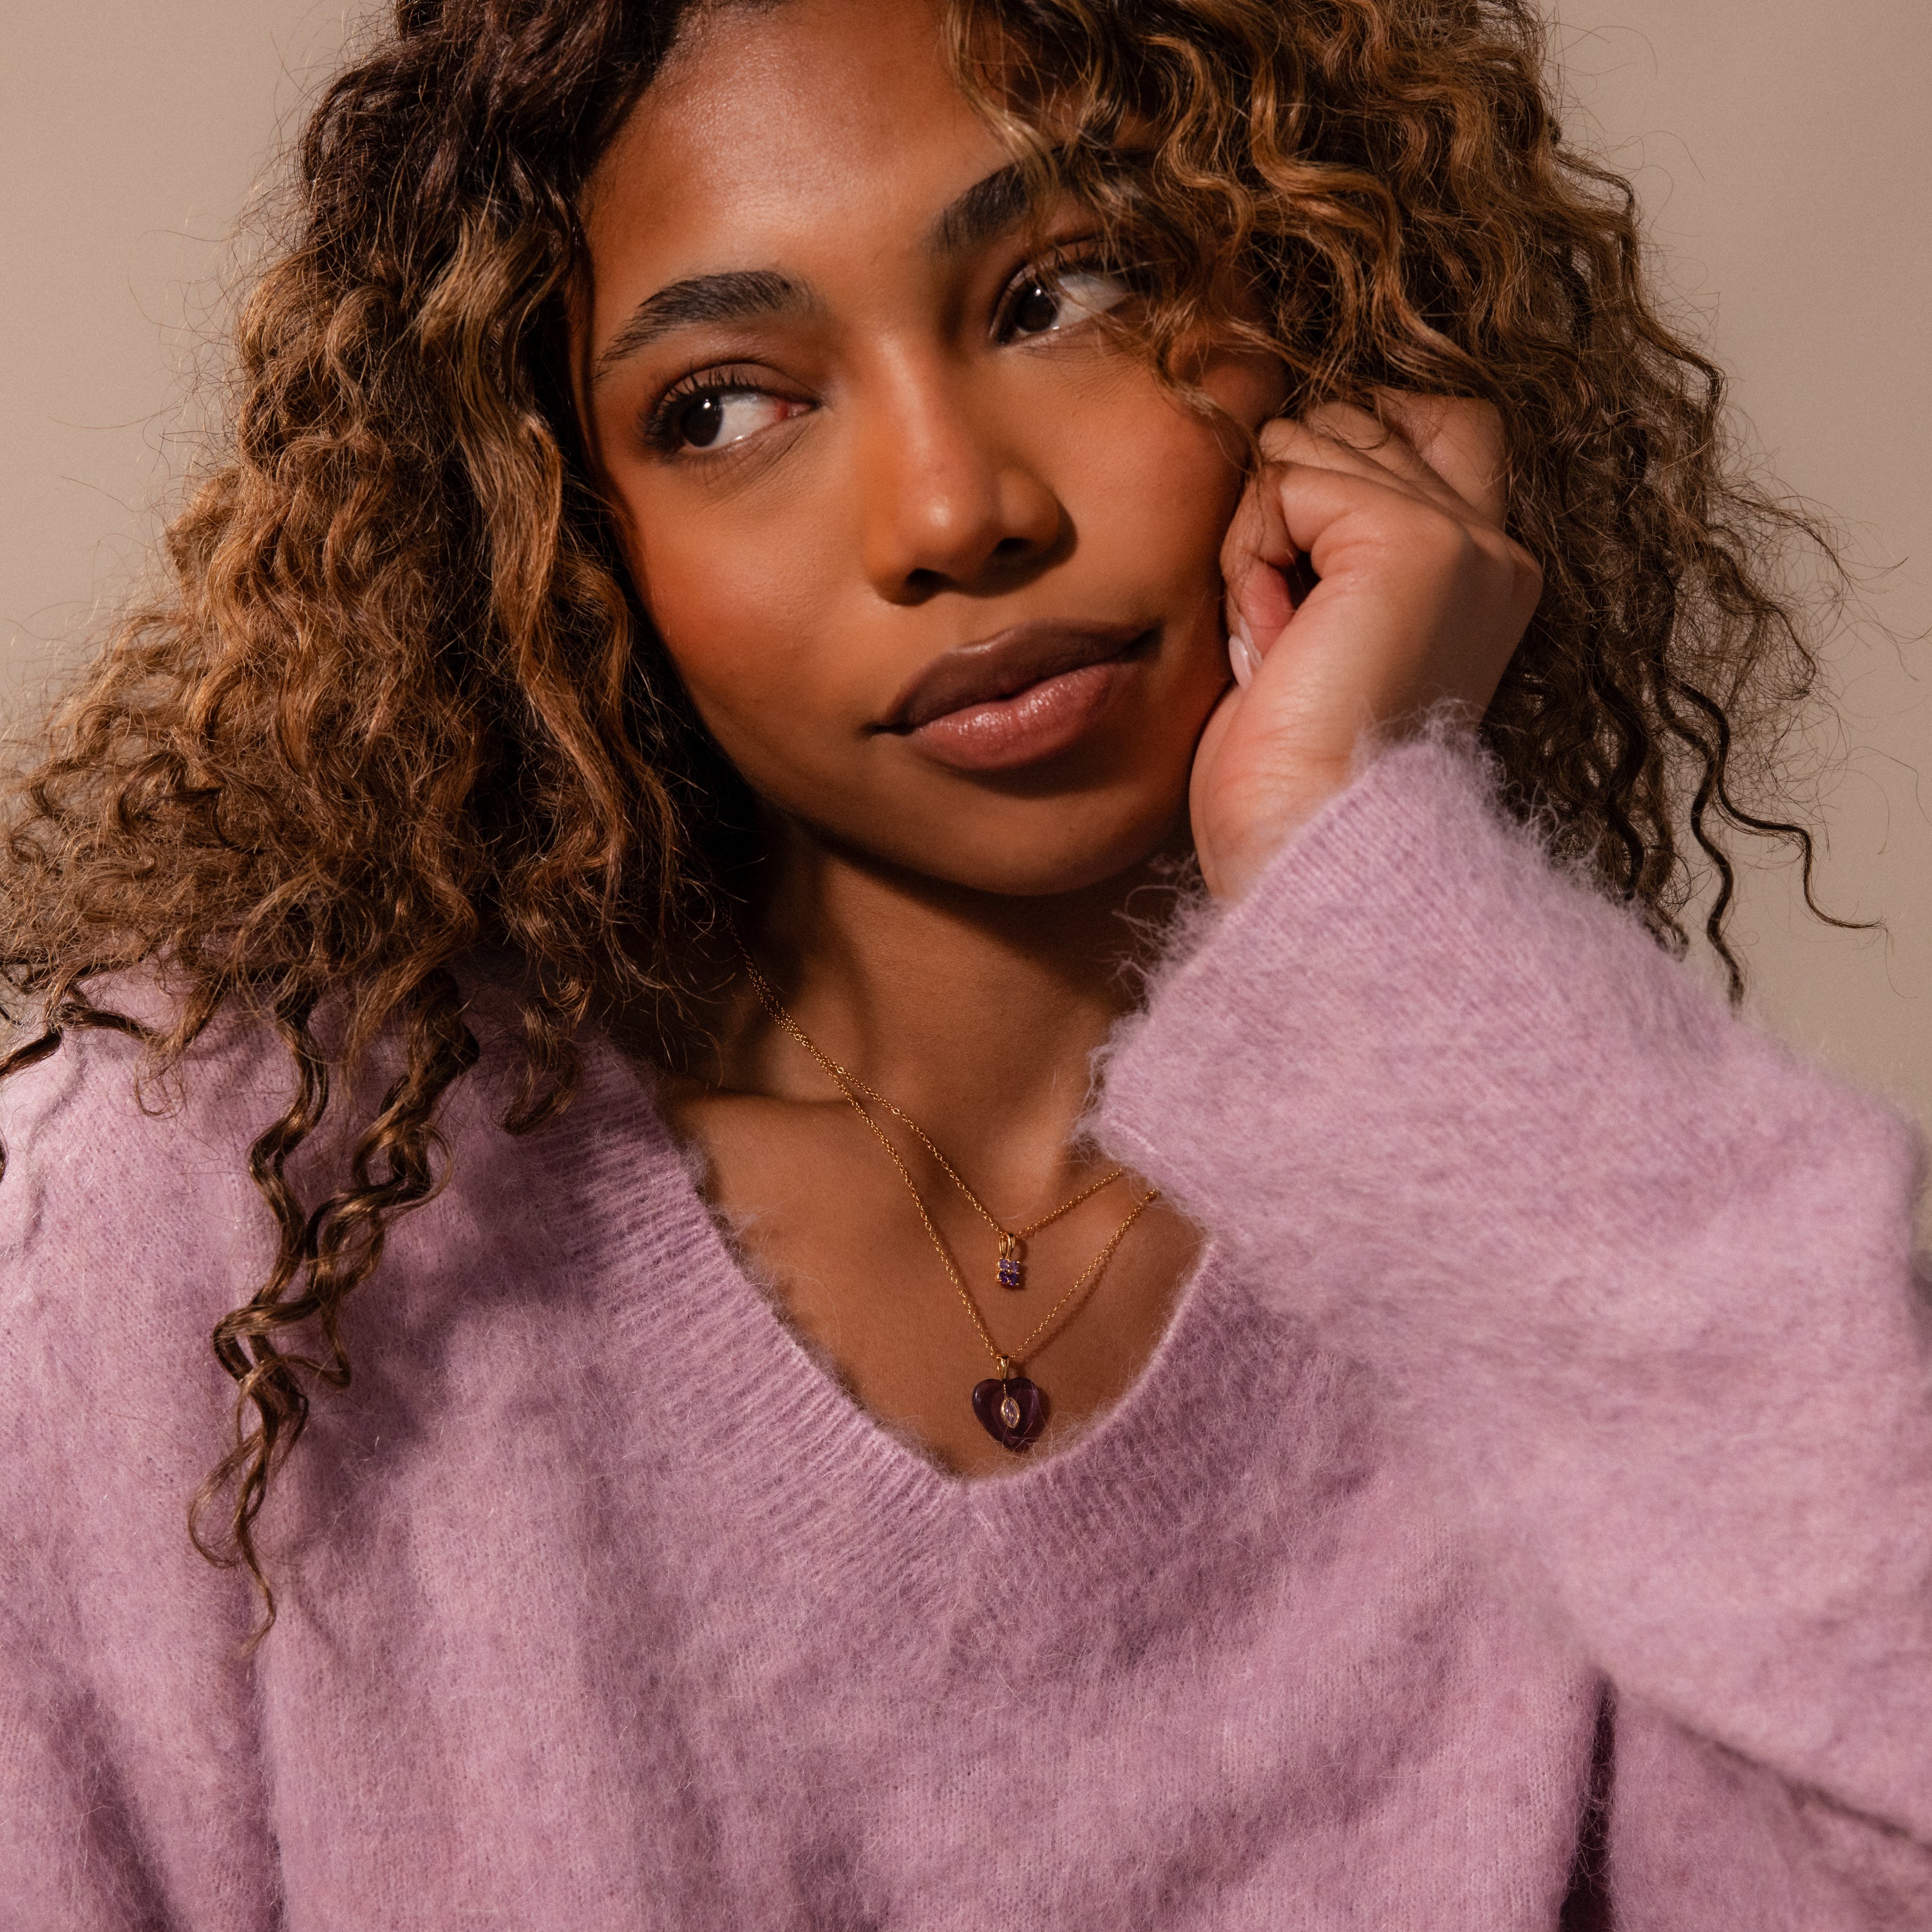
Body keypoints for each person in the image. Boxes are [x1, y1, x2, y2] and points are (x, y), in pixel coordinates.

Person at [1, 0, 1927, 1922]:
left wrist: (1369, 873)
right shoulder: (230, 1210)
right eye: (727, 407)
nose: (954, 514)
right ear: (564, 535)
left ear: (1329, 316)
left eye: (1065, 289)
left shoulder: (1540, 1226)